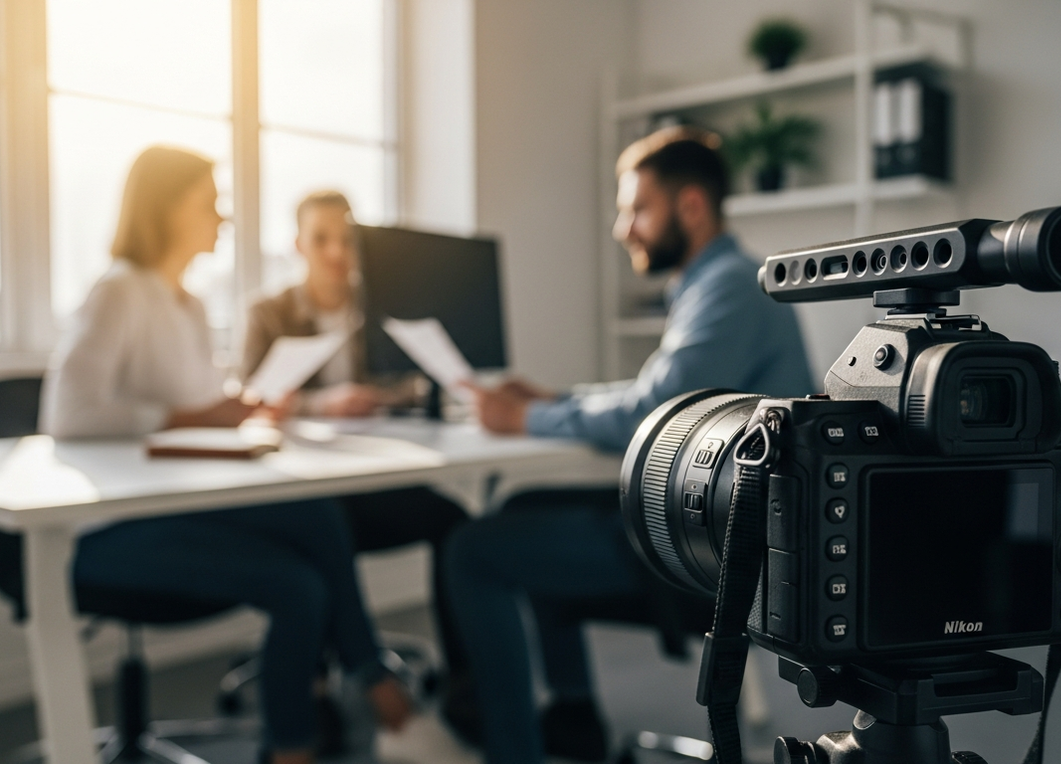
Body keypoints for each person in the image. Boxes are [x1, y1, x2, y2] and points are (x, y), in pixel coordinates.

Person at [444, 126, 814, 764]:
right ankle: (574, 714)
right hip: (715, 519)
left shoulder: (728, 286)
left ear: (690, 206)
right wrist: (552, 401)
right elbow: (661, 391)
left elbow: (650, 411)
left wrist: (527, 420)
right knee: (522, 511)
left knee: (472, 550)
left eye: (637, 208)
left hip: (715, 547)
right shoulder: (714, 282)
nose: (623, 228)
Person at [40, 146, 410, 764]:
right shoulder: (117, 293)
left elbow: (204, 404)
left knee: (315, 518)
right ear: (165, 210)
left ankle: (330, 706)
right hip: (117, 526)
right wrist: (198, 416)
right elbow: (69, 417)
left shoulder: (185, 304)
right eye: (210, 202)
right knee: (297, 586)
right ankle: (341, 703)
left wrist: (245, 406)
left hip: (181, 506)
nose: (223, 217)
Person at [242, 190, 474, 701]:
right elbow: (250, 398)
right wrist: (324, 404)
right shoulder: (268, 313)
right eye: (320, 239)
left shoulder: (381, 312)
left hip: (373, 477)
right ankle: (317, 687)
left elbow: (414, 382)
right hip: (304, 489)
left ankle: (466, 681)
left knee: (452, 520)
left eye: (345, 240)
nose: (335, 253)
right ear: (298, 245)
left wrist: (383, 395)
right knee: (321, 527)